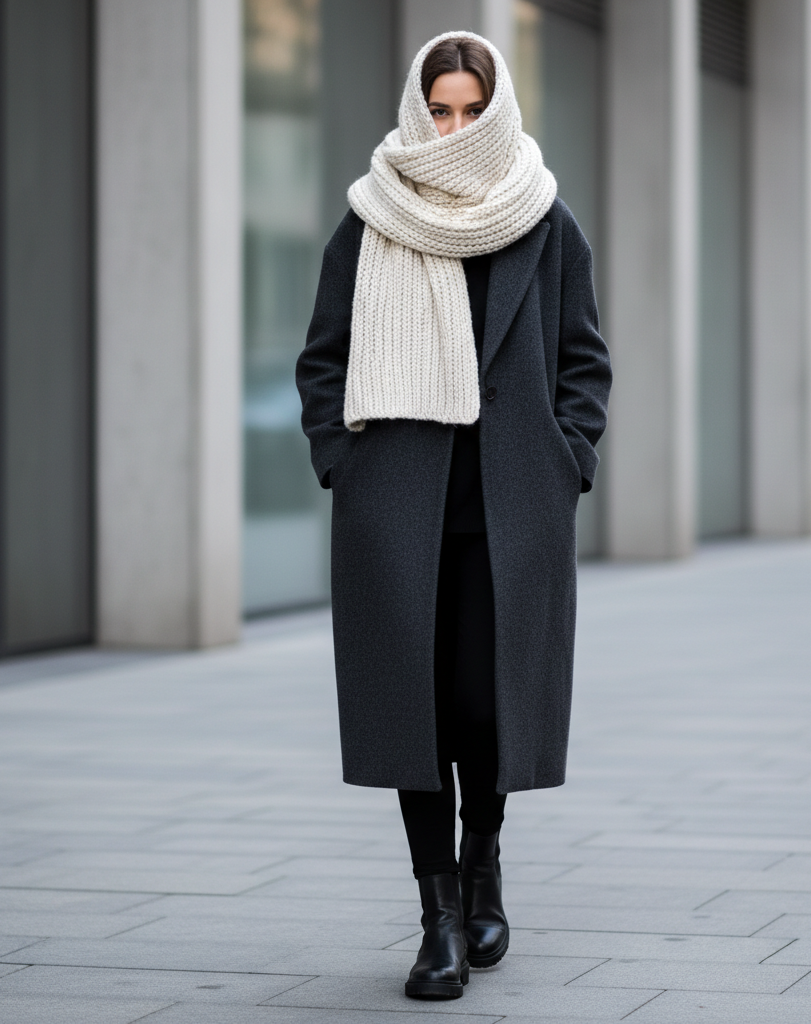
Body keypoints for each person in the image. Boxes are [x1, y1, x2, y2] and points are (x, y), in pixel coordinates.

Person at [296, 30, 611, 1000]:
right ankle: (436, 915)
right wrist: (345, 464)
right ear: (415, 106)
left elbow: (582, 362)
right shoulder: (371, 218)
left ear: (499, 106)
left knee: (484, 705)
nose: (455, 125)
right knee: (414, 714)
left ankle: (485, 866)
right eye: (441, 107)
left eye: (472, 108)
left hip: (512, 509)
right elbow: (323, 359)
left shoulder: (544, 219)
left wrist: (566, 461)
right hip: (400, 512)